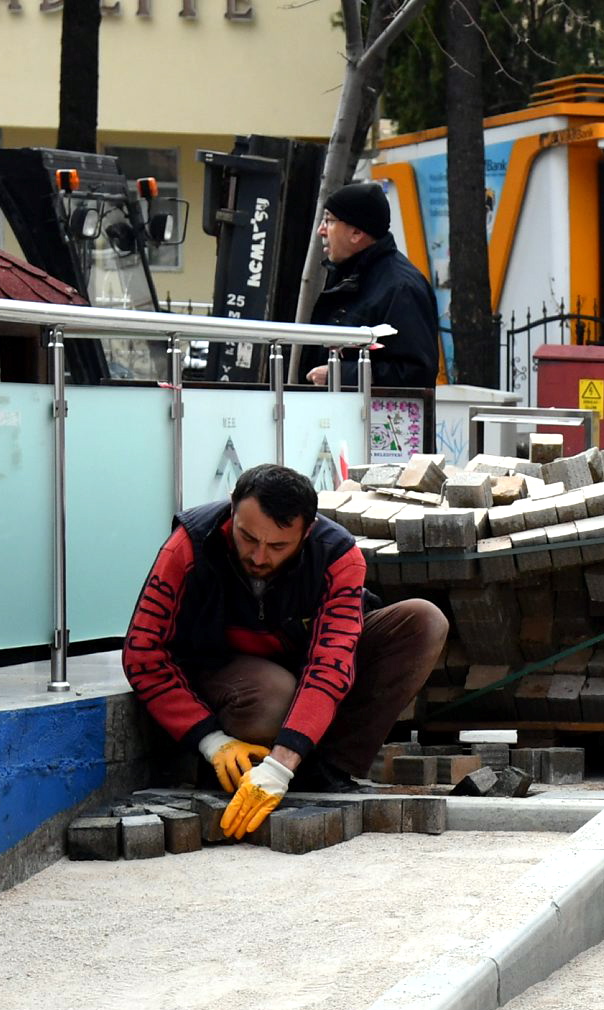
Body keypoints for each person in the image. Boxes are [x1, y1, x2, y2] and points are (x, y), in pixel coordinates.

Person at [123, 464, 451, 837]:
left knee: (424, 621)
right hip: (227, 674)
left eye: (278, 546)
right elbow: (142, 652)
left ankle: (323, 769)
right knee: (273, 696)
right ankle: (239, 764)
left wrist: (281, 765)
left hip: (301, 668)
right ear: (232, 508)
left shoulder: (337, 555)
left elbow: (330, 667)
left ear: (307, 531)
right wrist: (211, 741)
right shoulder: (191, 544)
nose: (259, 557)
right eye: (247, 538)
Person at [303, 183, 439, 390]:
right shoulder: (349, 274)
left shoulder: (401, 288)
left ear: (356, 233)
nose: (321, 230)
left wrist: (338, 375)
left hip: (369, 420)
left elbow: (416, 372)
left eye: (328, 220)